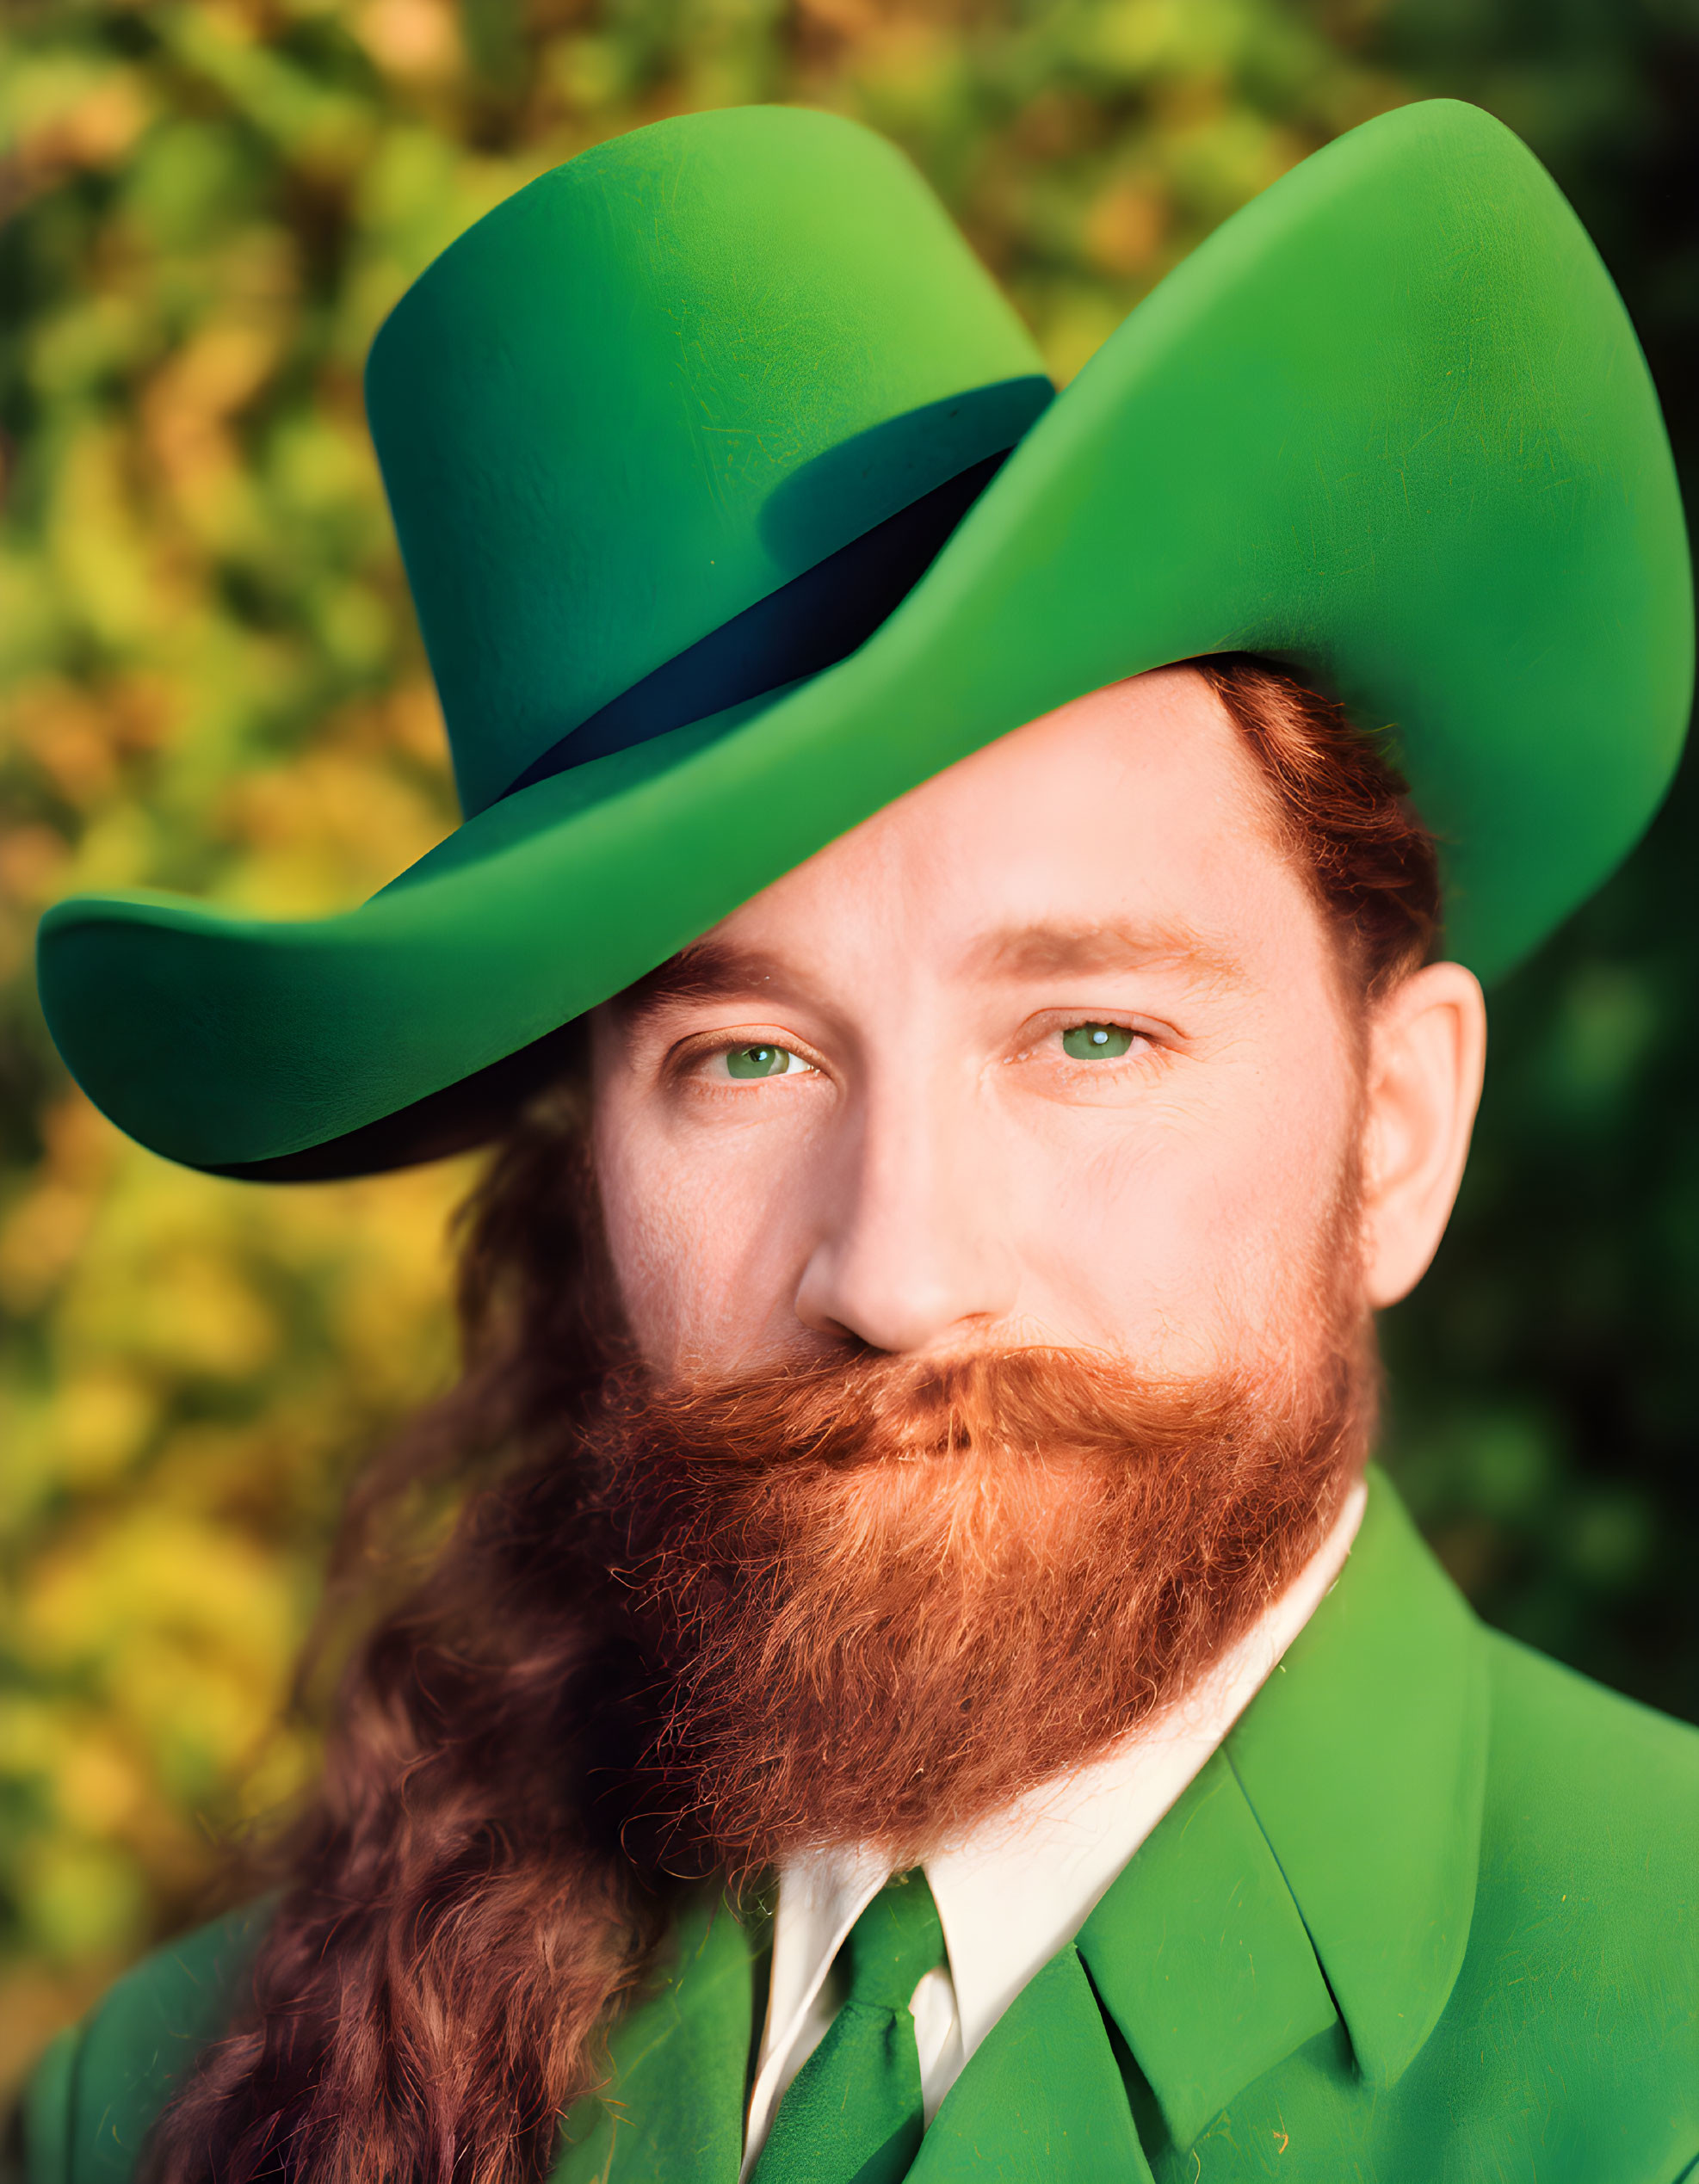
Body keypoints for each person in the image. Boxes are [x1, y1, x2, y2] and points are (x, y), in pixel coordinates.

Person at [21, 96, 1698, 2184]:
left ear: (1400, 1132)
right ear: (586, 1179)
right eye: (746, 1060)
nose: (896, 1272)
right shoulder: (165, 2107)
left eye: (1091, 1033)